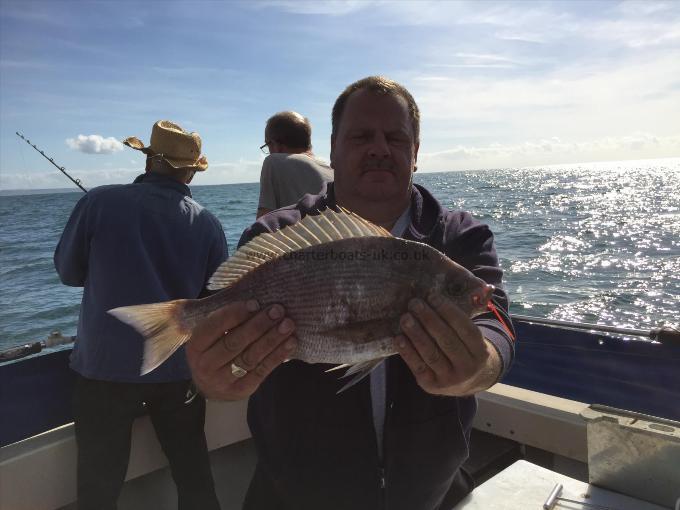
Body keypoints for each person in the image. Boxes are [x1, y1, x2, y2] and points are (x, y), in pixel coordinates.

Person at [185, 77, 516, 510]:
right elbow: (220, 344)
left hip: (431, 493)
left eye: (396, 137)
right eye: (361, 136)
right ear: (333, 149)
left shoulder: (458, 236)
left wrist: (479, 366)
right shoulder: (276, 234)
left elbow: (495, 321)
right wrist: (214, 378)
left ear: (415, 153)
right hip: (293, 495)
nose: (379, 147)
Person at [54, 120, 227, 510]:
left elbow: (68, 272)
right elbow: (214, 299)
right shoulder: (209, 224)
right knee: (194, 476)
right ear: (189, 171)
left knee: (99, 489)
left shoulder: (98, 202)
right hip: (178, 371)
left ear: (150, 160)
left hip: (103, 371)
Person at [256, 111, 333, 218]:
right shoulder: (331, 171)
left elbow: (263, 224)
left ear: (275, 144)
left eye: (268, 145)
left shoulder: (274, 162)